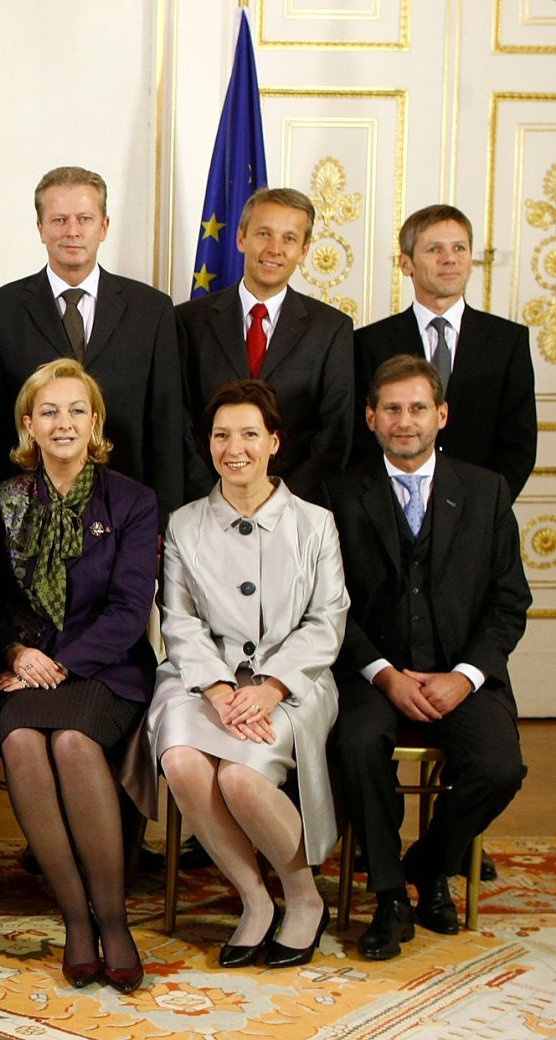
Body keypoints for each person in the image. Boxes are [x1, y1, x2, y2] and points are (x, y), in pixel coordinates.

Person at [326, 355, 528, 960]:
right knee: (356, 746)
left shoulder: (486, 491)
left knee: (500, 767)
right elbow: (327, 604)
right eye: (391, 409)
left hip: (462, 676)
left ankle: (428, 864)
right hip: (373, 676)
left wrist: (465, 678)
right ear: (370, 417)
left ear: (441, 415)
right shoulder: (337, 496)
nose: (405, 421)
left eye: (418, 408)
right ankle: (390, 897)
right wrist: (382, 674)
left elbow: (509, 600)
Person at [148, 379, 349, 970]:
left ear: (273, 442)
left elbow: (327, 621)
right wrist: (215, 688)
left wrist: (269, 688)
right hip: (198, 679)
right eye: (221, 435)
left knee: (240, 777)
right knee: (183, 760)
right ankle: (255, 899)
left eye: (249, 435)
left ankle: (304, 898)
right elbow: (177, 621)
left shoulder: (315, 524)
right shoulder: (185, 524)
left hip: (292, 683)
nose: (234, 448)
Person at [0, 359, 158, 992]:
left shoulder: (133, 501)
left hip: (106, 670)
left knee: (73, 741)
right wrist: (11, 654)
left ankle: (112, 920)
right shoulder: (3, 499)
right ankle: (76, 924)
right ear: (28, 424)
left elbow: (129, 609)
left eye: (76, 411)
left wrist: (58, 667)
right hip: (23, 669)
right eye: (49, 412)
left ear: (95, 424)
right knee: (24, 743)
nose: (64, 423)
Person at [0, 167, 183, 513]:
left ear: (104, 226)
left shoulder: (152, 310)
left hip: (127, 516)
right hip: (26, 520)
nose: (72, 231)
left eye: (84, 218)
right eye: (59, 220)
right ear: (40, 228)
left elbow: (167, 424)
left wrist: (163, 519)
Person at [179, 188, 354, 497]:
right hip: (205, 505)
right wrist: (214, 498)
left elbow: (334, 433)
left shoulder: (331, 328)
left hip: (295, 508)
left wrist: (282, 503)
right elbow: (178, 422)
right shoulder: (188, 321)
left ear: (303, 250)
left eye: (288, 238)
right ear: (241, 238)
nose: (275, 248)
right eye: (264, 234)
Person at [353, 205, 535, 498]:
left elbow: (519, 444)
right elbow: (359, 438)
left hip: (477, 513)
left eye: (459, 248)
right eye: (434, 249)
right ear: (406, 263)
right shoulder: (368, 342)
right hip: (388, 509)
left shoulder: (507, 341)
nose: (449, 259)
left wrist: (483, 509)